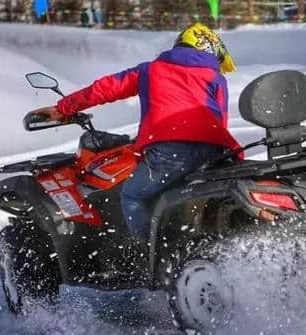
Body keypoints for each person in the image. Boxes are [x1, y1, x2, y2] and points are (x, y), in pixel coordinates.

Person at [30, 23, 240, 245]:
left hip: (169, 151)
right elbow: (221, 119)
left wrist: (61, 109)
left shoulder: (150, 70)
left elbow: (103, 89)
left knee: (132, 196)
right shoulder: (216, 78)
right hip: (216, 150)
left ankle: (151, 251)